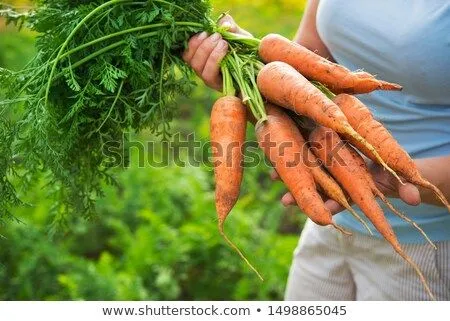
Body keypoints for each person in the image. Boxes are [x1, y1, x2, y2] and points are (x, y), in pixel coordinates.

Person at [183, 0, 450, 300]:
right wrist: (248, 74)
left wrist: (400, 177)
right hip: (332, 224)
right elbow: (309, 54)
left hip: (429, 247)